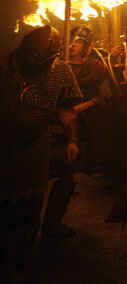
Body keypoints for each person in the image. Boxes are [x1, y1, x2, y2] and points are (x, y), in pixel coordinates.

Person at [0, 26, 81, 281]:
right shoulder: (3, 68)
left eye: (41, 58)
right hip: (3, 147)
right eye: (31, 55)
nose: (34, 62)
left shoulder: (60, 71)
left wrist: (73, 141)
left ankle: (20, 266)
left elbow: (67, 110)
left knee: (30, 212)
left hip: (36, 148)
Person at [43, 26, 117, 238]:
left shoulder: (96, 68)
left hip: (82, 126)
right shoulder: (54, 67)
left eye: (78, 41)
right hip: (52, 126)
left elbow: (106, 96)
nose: (73, 44)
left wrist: (78, 108)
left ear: (87, 45)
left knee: (67, 176)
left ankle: (52, 223)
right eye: (71, 40)